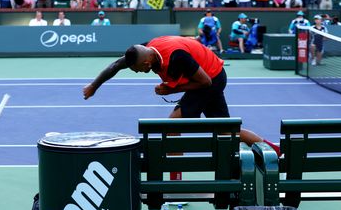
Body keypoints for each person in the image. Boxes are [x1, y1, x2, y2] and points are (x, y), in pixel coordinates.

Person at [82, 37, 282, 171]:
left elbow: (205, 83)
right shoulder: (145, 49)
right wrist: (94, 85)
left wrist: (171, 89)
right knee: (226, 131)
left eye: (136, 70)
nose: (135, 72)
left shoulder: (177, 57)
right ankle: (273, 149)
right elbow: (116, 65)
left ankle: (175, 181)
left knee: (172, 127)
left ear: (146, 63)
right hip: (211, 74)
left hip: (211, 78)